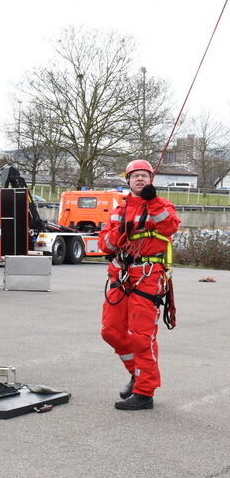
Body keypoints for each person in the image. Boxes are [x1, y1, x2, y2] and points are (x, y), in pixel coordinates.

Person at [98, 159, 180, 411]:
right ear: (128, 181)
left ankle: (145, 391)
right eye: (135, 176)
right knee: (110, 331)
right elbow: (105, 246)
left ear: (151, 180)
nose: (140, 179)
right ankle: (136, 373)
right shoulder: (118, 210)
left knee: (142, 337)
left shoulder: (161, 204)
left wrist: (152, 201)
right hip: (121, 274)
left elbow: (169, 227)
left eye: (144, 175)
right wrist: (119, 232)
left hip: (147, 274)